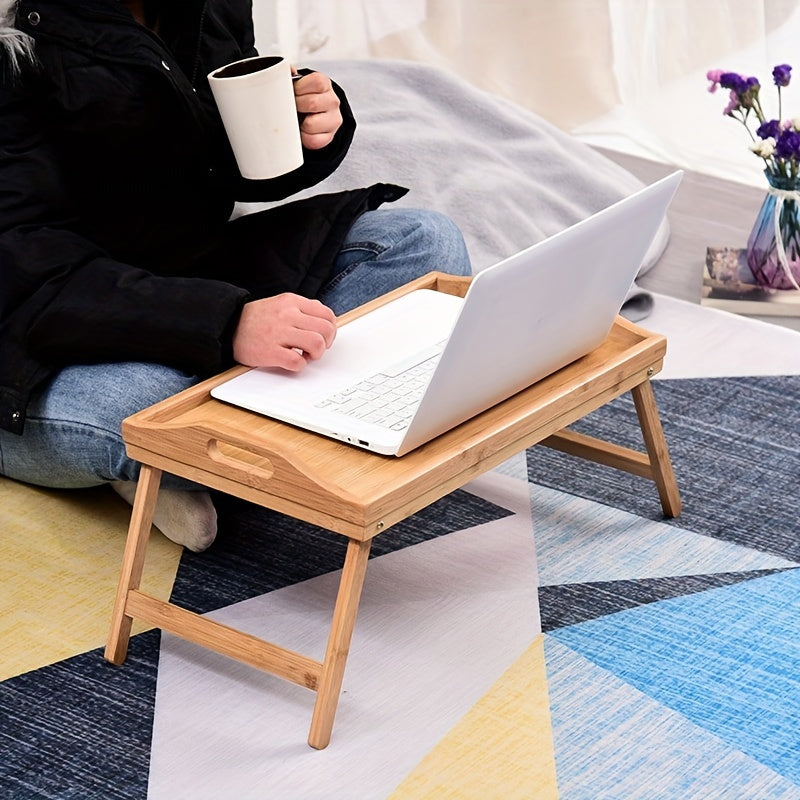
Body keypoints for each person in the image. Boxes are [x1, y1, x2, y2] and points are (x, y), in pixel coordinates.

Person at [0, 0, 472, 551]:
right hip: (38, 331)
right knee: (146, 402)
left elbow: (219, 165)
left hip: (190, 274)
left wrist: (305, 127)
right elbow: (21, 262)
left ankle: (204, 455)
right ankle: (213, 443)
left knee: (424, 245)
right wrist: (225, 323)